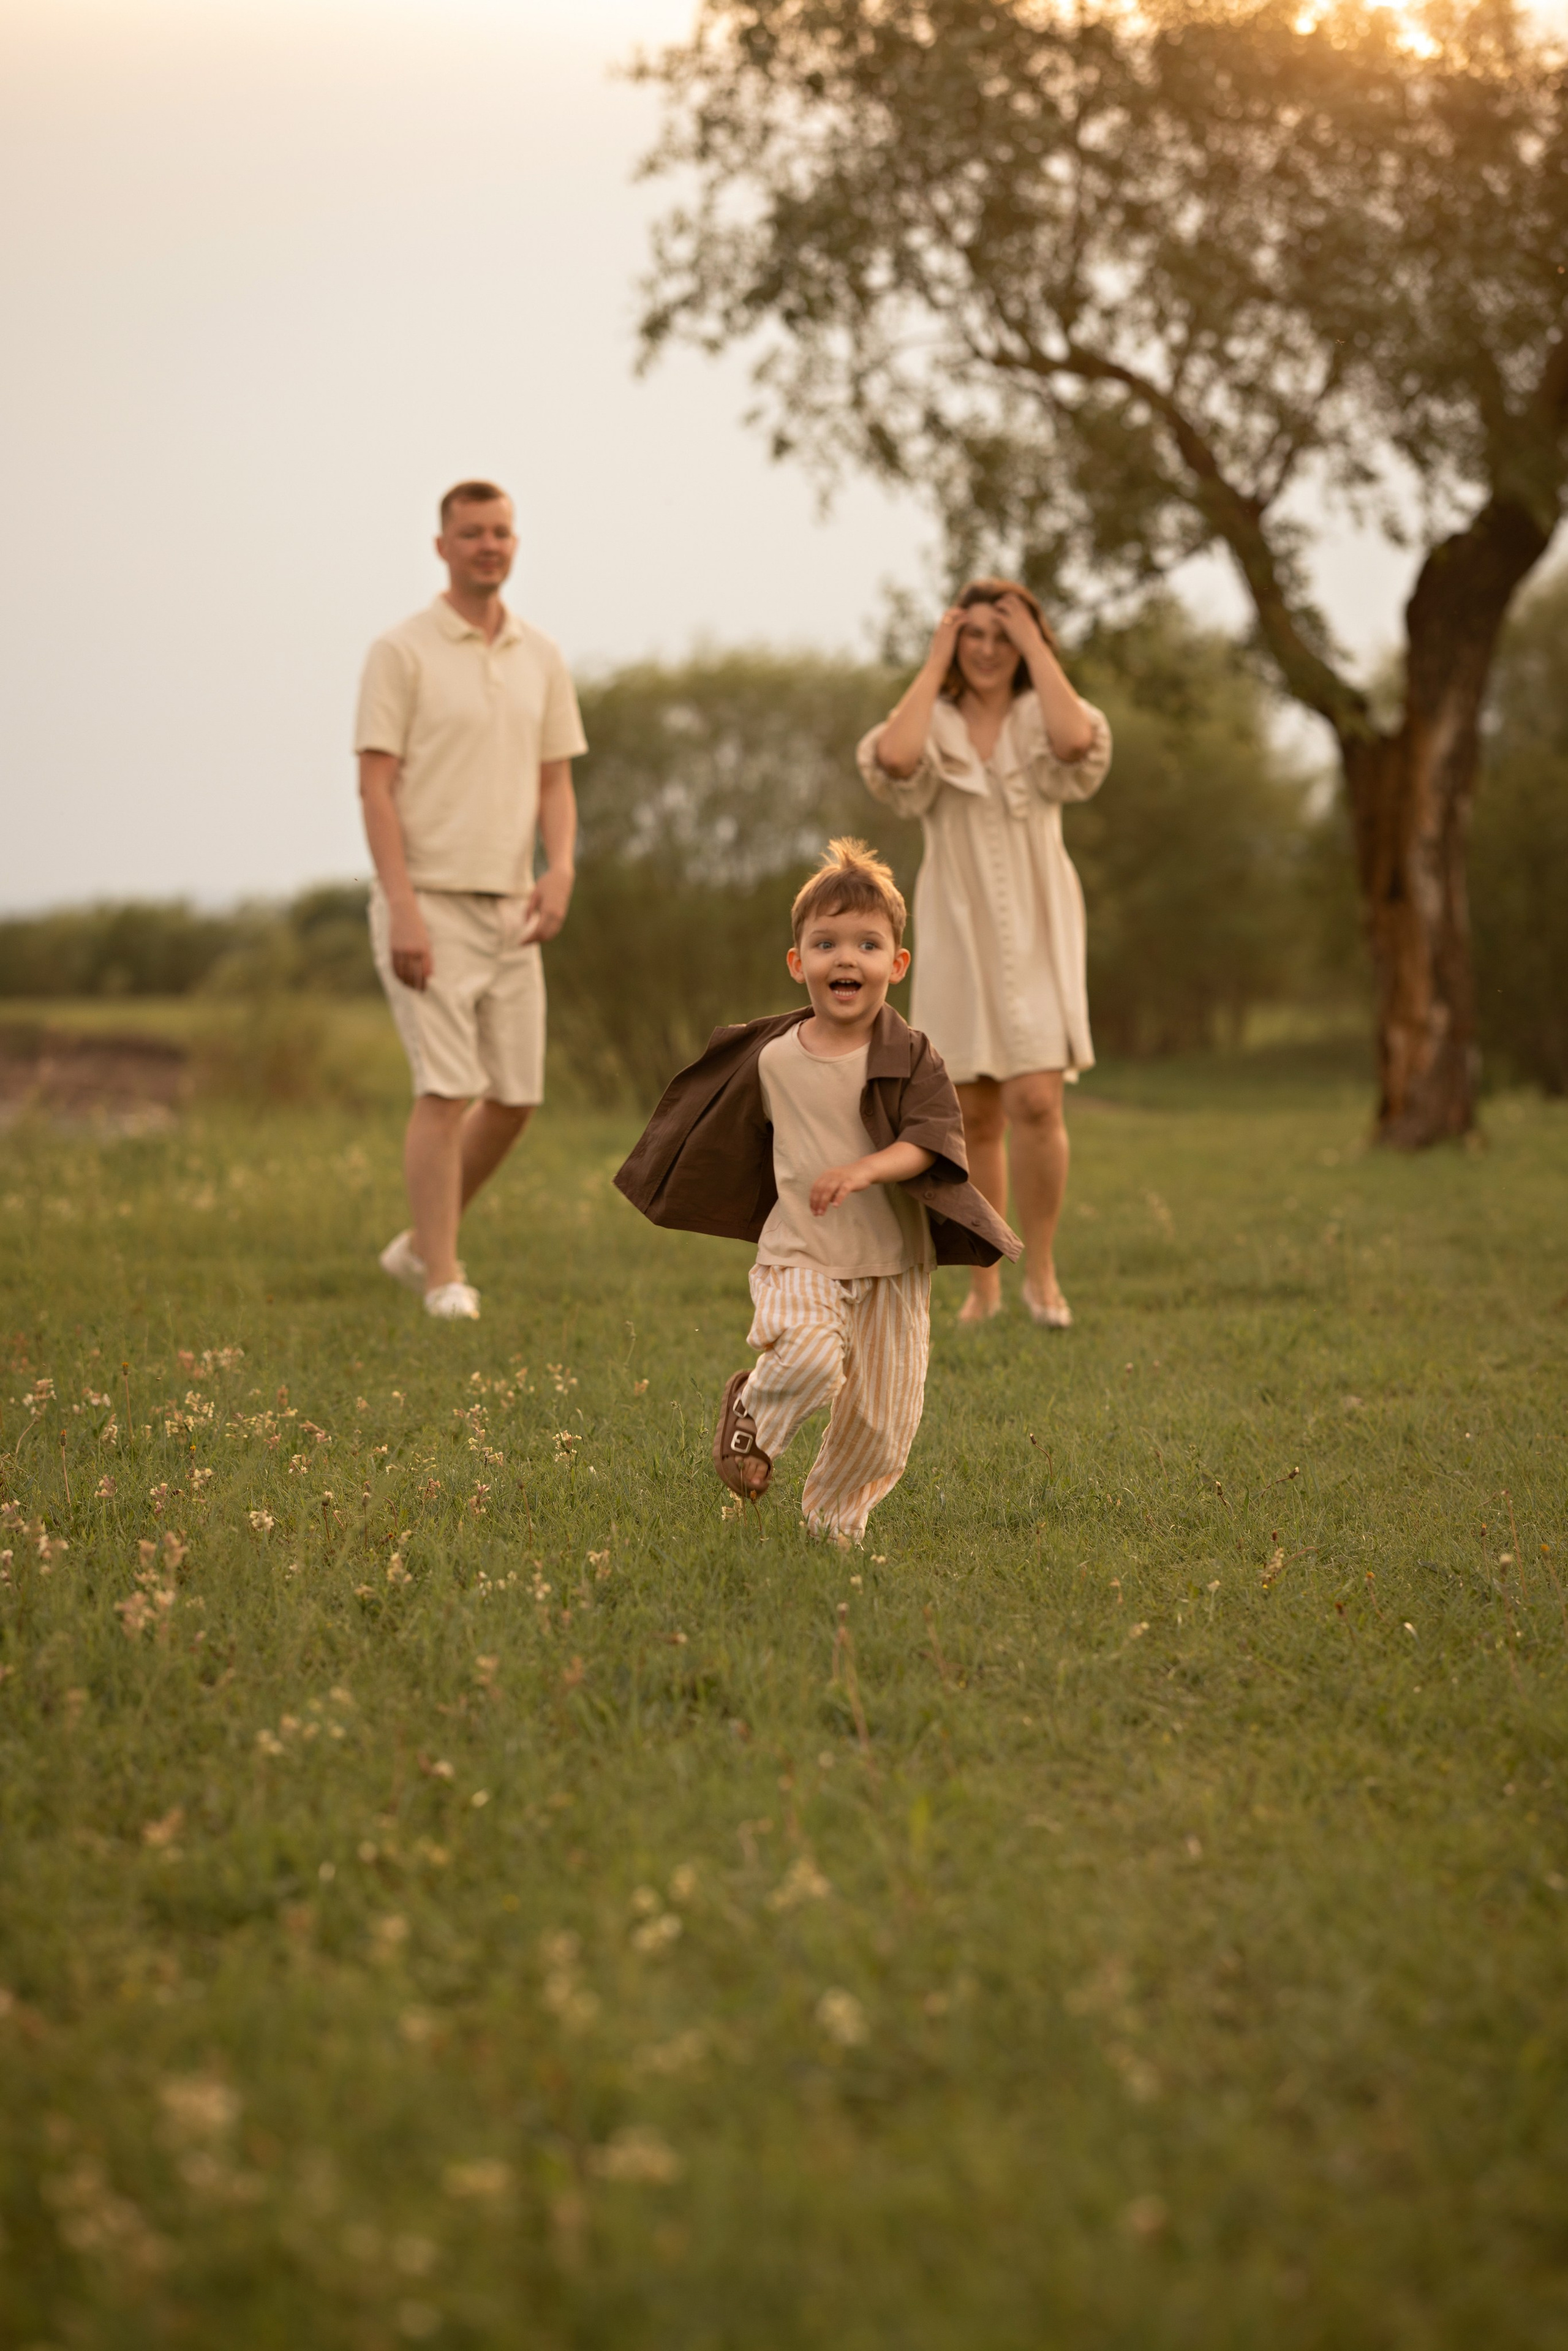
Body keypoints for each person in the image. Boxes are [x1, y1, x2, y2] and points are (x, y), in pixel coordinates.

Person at [615, 839, 1020, 1545]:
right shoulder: (771, 1058)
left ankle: (832, 1527)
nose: (846, 958)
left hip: (893, 1265)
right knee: (806, 1354)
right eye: (826, 942)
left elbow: (931, 1141)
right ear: (798, 963)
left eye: (867, 944)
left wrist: (865, 1169)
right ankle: (753, 1418)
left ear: (895, 965)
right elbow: (720, 1132)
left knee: (883, 1426)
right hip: (800, 1251)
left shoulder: (914, 1055)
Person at [355, 481, 586, 1320]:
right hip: (429, 899)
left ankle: (420, 1240)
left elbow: (555, 780)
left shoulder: (541, 655)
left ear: (515, 544)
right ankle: (444, 1276)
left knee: (516, 1095)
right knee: (446, 1088)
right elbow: (374, 789)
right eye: (472, 533)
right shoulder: (401, 650)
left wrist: (558, 869)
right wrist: (403, 907)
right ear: (442, 545)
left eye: (501, 532)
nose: (489, 544)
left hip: (512, 902)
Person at [858, 579, 1112, 1330]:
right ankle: (985, 1284)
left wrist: (1032, 637)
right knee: (974, 1112)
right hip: (957, 923)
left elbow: (1077, 745)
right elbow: (895, 761)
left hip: (1039, 919)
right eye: (974, 635)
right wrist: (936, 660)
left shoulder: (1046, 713)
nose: (989, 649)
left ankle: (1043, 1276)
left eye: (1004, 636)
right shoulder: (930, 720)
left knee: (1038, 1098)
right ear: (954, 641)